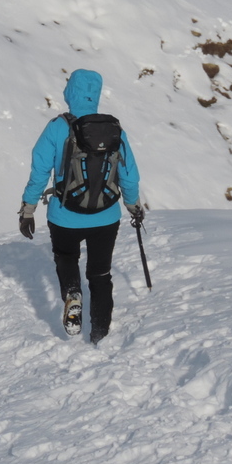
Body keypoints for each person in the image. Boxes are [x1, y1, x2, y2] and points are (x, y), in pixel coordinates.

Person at [19, 69, 140, 344]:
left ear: (70, 91)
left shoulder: (57, 127)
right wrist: (133, 206)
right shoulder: (114, 129)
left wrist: (28, 209)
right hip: (106, 216)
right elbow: (129, 175)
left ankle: (73, 293)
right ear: (96, 94)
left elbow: (39, 171)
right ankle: (100, 333)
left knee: (66, 257)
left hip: (65, 215)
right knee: (100, 273)